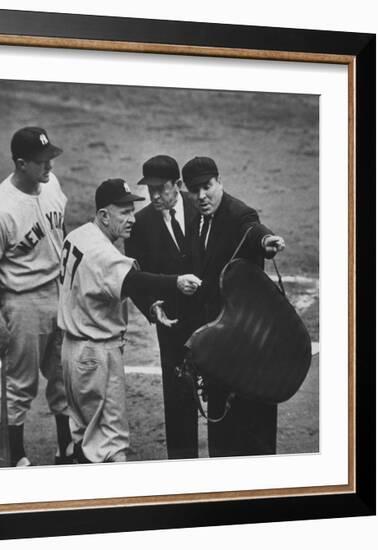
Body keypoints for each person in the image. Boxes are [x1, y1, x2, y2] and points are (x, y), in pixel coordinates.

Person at [57, 178, 201, 463]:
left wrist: (150, 308)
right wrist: (176, 282)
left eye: (132, 210)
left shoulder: (79, 235)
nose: (132, 219)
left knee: (86, 436)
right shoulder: (104, 254)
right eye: (123, 211)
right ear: (103, 216)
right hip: (96, 356)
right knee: (111, 445)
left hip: (72, 353)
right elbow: (136, 281)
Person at [181, 156, 286, 457]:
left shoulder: (238, 213)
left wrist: (267, 241)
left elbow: (253, 230)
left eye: (206, 187)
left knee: (254, 430)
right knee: (222, 434)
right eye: (194, 190)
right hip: (220, 346)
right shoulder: (197, 219)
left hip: (249, 347)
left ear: (219, 182)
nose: (201, 196)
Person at [0, 126, 73, 467]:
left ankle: (65, 446)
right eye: (41, 161)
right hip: (20, 302)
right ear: (21, 164)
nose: (49, 166)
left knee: (63, 374)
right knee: (20, 384)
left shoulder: (51, 184)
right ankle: (17, 456)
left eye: (50, 157)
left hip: (57, 291)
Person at [124, 155, 200, 460]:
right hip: (172, 322)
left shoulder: (201, 207)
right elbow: (138, 278)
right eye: (150, 188)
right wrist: (152, 307)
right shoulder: (140, 224)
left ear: (178, 185)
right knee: (178, 398)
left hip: (212, 318)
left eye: (161, 188)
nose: (154, 195)